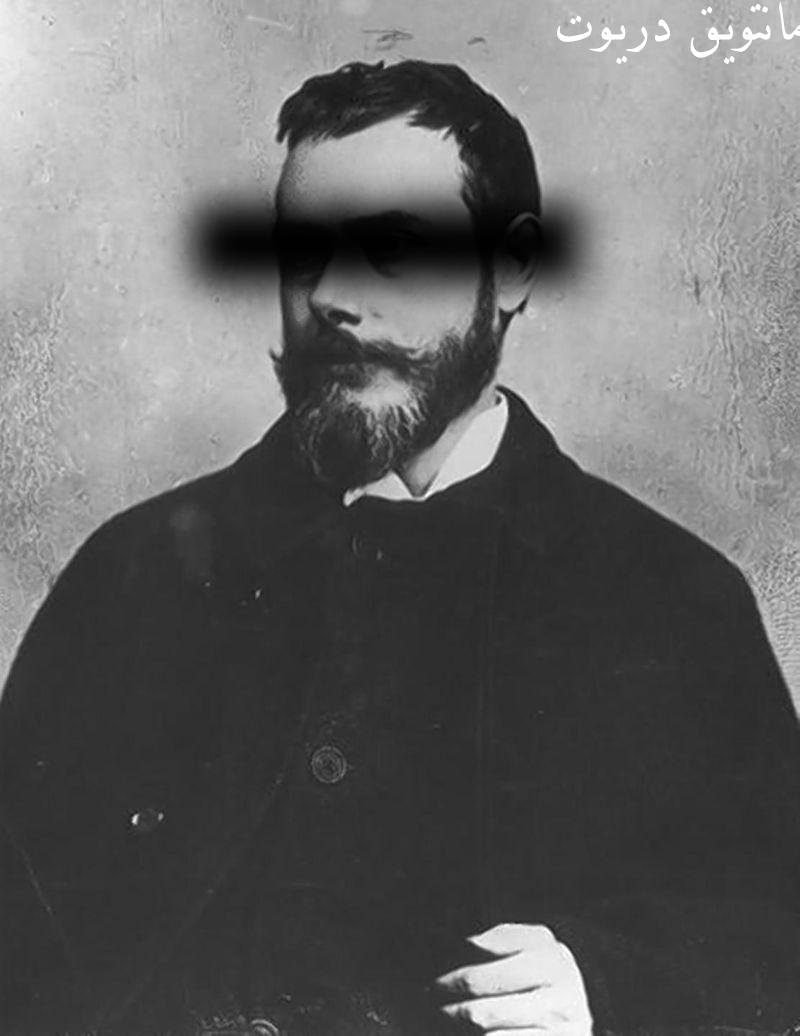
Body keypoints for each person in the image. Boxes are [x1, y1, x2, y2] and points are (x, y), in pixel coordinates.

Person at [1, 58, 800, 1036]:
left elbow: (771, 938)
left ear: (512, 269)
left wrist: (611, 986)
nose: (335, 297)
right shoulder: (135, 577)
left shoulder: (670, 600)